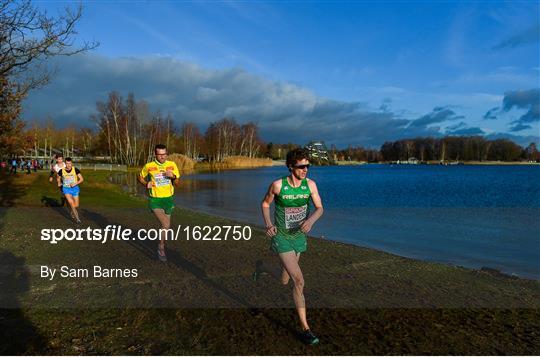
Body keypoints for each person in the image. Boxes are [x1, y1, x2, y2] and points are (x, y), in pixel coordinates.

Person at [259, 148, 324, 345]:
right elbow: (265, 204)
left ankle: (261, 268)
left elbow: (320, 208)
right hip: (282, 238)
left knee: (285, 280)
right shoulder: (278, 185)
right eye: (301, 166)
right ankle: (305, 328)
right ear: (290, 167)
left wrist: (311, 220)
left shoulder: (310, 185)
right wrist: (269, 225)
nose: (305, 170)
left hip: (299, 238)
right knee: (299, 280)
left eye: (307, 166)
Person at [138, 144, 180, 262]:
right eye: (159, 154)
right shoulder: (149, 166)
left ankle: (161, 245)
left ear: (167, 153)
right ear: (155, 154)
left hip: (168, 199)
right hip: (155, 200)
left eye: (164, 154)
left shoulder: (172, 165)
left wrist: (173, 176)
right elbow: (140, 177)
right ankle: (161, 247)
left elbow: (177, 184)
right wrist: (146, 184)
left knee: (165, 227)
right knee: (166, 225)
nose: (162, 157)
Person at [56, 157, 83, 223]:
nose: (68, 165)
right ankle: (77, 219)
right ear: (65, 163)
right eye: (67, 164)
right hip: (66, 189)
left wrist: (75, 183)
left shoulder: (75, 169)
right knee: (71, 203)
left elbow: (81, 179)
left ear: (71, 163)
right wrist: (59, 183)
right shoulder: (61, 171)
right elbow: (58, 177)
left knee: (76, 205)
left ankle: (72, 211)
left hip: (75, 188)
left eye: (70, 163)